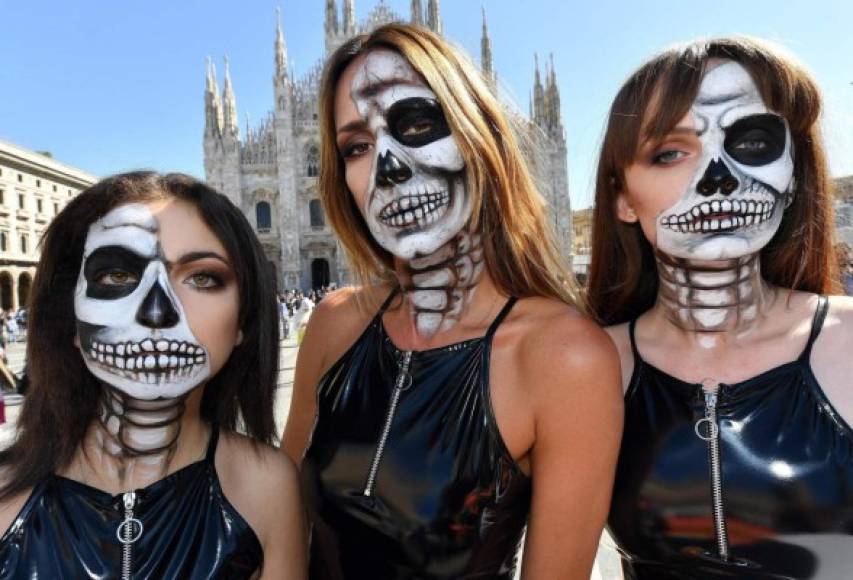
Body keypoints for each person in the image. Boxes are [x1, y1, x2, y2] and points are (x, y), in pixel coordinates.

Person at [283, 23, 622, 580]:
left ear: (478, 134)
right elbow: (284, 527)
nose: (386, 168)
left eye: (417, 123)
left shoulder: (562, 355)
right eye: (357, 147)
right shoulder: (336, 322)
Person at [587, 37, 853, 580]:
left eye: (752, 141)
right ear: (622, 197)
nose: (717, 179)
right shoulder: (585, 364)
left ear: (794, 172)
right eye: (670, 153)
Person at [0, 172, 306, 578]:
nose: (158, 313)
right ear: (71, 318)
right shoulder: (6, 492)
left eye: (202, 278)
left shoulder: (266, 487)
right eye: (116, 276)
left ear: (242, 323)